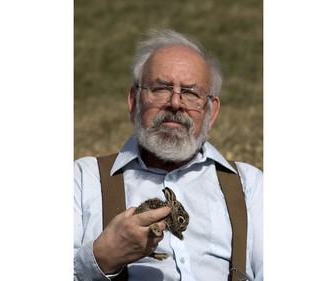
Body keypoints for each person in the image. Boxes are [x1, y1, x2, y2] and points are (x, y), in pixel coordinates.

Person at [74, 29, 263, 281]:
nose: (175, 103)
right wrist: (101, 258)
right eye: (161, 89)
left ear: (211, 111)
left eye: (190, 92)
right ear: (134, 101)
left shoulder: (249, 185)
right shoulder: (83, 180)